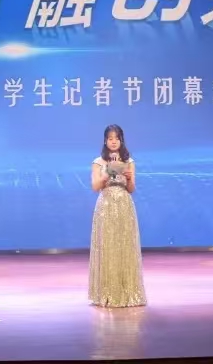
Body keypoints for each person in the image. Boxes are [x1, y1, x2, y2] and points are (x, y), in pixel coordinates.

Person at [88, 124, 147, 308]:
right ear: (105, 141)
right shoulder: (98, 162)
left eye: (117, 138)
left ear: (121, 140)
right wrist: (107, 172)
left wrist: (128, 178)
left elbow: (131, 189)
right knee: (107, 246)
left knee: (124, 246)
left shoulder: (129, 162)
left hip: (124, 206)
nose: (113, 142)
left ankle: (127, 292)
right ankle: (106, 293)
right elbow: (95, 186)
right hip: (105, 206)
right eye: (110, 138)